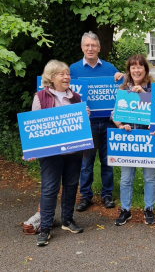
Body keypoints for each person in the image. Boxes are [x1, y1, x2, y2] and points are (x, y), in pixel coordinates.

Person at [32, 60, 87, 247]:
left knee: (71, 185)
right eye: (62, 74)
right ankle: (45, 228)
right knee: (49, 189)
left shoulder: (76, 97)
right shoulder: (40, 97)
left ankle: (67, 220)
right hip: (51, 154)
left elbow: (81, 125)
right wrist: (33, 148)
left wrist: (84, 116)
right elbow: (35, 126)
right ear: (51, 77)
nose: (67, 77)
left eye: (68, 74)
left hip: (73, 151)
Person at [70, 31, 124, 211]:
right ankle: (86, 196)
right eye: (87, 45)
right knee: (86, 163)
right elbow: (67, 96)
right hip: (87, 124)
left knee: (108, 161)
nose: (90, 48)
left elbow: (123, 90)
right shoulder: (72, 70)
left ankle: (107, 194)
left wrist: (122, 77)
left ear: (99, 48)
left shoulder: (110, 69)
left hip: (109, 122)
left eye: (94, 45)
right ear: (82, 48)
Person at [111, 55, 155, 226]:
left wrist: (145, 95)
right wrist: (120, 126)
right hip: (128, 140)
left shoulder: (154, 88)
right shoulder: (123, 89)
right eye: (133, 67)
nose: (136, 70)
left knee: (149, 177)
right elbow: (115, 115)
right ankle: (125, 210)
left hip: (149, 139)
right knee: (125, 178)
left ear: (145, 69)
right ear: (129, 70)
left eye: (140, 67)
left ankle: (149, 209)